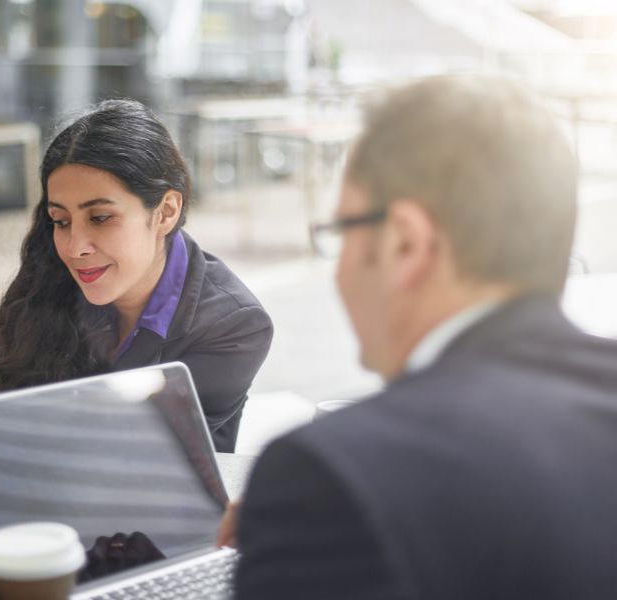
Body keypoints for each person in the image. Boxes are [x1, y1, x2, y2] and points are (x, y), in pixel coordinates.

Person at [229, 75, 617, 599]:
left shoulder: (331, 479)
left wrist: (293, 528)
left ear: (406, 245)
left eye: (342, 233)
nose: (340, 271)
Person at [0, 99, 273, 511]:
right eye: (61, 220)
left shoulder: (233, 326)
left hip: (157, 534)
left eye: (100, 218)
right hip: (43, 520)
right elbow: (17, 421)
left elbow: (106, 456)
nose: (74, 247)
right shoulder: (48, 280)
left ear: (165, 211)